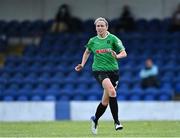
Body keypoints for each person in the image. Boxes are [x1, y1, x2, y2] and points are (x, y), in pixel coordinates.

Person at [75, 17, 127, 135]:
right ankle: (117, 122)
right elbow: (87, 51)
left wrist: (117, 56)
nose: (99, 28)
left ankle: (95, 119)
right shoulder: (93, 40)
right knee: (112, 92)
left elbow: (124, 53)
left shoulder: (113, 39)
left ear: (106, 27)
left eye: (102, 26)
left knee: (105, 101)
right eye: (97, 26)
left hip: (114, 71)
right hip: (99, 71)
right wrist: (82, 64)